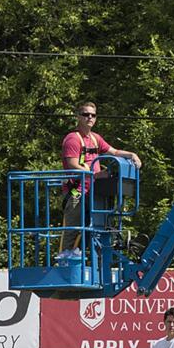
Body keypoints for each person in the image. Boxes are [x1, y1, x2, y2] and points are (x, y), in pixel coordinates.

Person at [58, 100, 142, 257]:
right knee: (73, 228)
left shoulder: (96, 138)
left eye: (93, 115)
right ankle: (65, 260)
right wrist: (94, 174)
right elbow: (72, 164)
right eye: (85, 114)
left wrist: (132, 155)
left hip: (95, 192)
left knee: (98, 229)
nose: (89, 117)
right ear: (78, 116)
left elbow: (114, 152)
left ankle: (94, 261)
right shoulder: (73, 139)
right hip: (78, 192)